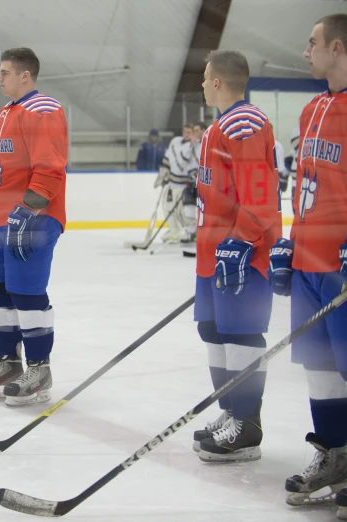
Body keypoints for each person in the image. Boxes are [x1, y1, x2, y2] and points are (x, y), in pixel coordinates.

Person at [267, 14, 347, 514]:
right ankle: (336, 454)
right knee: (319, 368)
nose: (305, 51)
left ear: (338, 47)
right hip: (311, 261)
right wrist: (289, 242)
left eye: (312, 43)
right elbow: (307, 185)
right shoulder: (313, 108)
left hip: (342, 261)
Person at [191, 49, 281, 463]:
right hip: (215, 255)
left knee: (240, 335)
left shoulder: (243, 123)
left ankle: (247, 425)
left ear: (219, 81)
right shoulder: (218, 127)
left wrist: (241, 241)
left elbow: (261, 200)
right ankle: (230, 410)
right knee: (214, 331)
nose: (203, 83)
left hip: (242, 254)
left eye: (206, 76)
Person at [0, 47, 67, 406]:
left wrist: (27, 210)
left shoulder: (43, 110)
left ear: (26, 75)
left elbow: (50, 170)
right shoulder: (8, 112)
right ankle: (8, 363)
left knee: (26, 293)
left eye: (5, 72)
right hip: (5, 220)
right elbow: (7, 173)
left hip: (33, 220)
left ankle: (40, 368)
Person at [157, 123, 198, 243]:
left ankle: (187, 232)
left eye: (189, 132)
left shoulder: (195, 146)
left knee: (183, 211)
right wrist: (163, 173)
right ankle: (174, 230)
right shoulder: (175, 141)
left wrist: (192, 144)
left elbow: (185, 161)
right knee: (168, 208)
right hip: (172, 183)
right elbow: (168, 158)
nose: (186, 134)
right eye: (185, 132)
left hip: (184, 185)